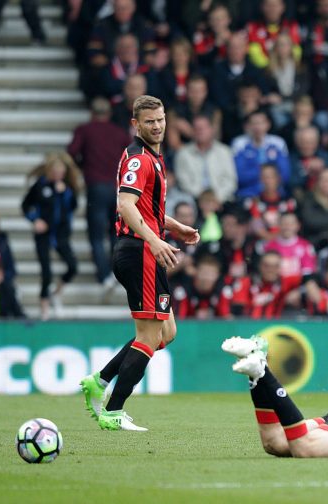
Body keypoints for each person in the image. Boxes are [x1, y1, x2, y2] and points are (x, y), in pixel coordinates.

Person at [79, 95, 201, 432]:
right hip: (139, 252)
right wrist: (155, 239)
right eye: (150, 121)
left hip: (143, 249)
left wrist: (174, 227)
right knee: (148, 337)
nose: (157, 126)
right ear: (136, 124)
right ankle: (112, 410)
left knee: (167, 333)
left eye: (161, 119)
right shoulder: (138, 159)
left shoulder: (153, 157)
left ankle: (101, 380)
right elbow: (126, 206)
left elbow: (146, 208)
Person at [68, 97, 132, 287]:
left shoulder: (85, 130)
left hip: (96, 186)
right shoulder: (119, 133)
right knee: (116, 232)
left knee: (96, 235)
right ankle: (116, 272)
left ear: (92, 113)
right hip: (118, 188)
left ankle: (104, 275)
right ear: (109, 114)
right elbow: (132, 156)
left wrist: (83, 165)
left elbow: (70, 152)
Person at [22, 153, 81, 319]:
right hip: (44, 235)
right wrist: (35, 220)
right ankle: (45, 308)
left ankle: (56, 293)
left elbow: (73, 206)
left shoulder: (67, 188)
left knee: (72, 266)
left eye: (61, 173)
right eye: (55, 172)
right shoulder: (40, 186)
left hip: (61, 234)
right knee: (46, 271)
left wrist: (65, 193)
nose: (58, 176)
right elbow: (25, 205)